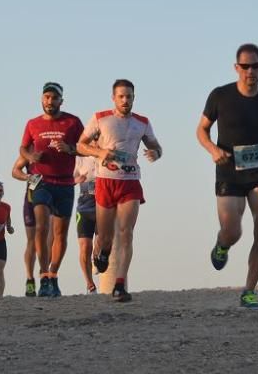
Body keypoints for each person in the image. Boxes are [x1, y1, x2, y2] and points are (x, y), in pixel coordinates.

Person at [196, 44, 258, 309]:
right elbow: (201, 131)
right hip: (229, 171)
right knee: (233, 230)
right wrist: (213, 150)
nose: (250, 71)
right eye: (245, 66)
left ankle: (249, 291)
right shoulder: (220, 96)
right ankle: (221, 244)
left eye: (255, 66)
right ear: (236, 68)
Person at [78, 79, 162, 302]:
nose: (125, 100)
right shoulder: (100, 118)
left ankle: (120, 284)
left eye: (129, 96)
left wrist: (155, 153)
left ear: (134, 98)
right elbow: (80, 145)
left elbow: (157, 146)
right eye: (121, 96)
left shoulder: (142, 122)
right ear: (113, 98)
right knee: (105, 237)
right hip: (106, 181)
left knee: (126, 233)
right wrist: (99, 153)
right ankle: (102, 253)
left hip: (130, 182)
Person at [19, 82, 84, 297]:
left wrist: (69, 148)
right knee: (41, 227)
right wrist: (30, 157)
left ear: (61, 101)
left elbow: (85, 147)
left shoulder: (72, 122)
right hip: (41, 182)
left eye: (54, 98)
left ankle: (53, 275)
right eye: (46, 97)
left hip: (65, 182)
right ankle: (43, 274)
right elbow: (23, 147)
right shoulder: (32, 124)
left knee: (60, 233)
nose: (50, 101)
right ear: (41, 99)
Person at [11, 153, 48, 297]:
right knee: (32, 241)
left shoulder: (54, 143)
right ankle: (30, 279)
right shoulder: (29, 150)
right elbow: (15, 171)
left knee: (48, 239)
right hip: (31, 199)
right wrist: (28, 177)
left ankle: (45, 274)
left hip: (50, 198)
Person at [74, 154, 99, 293]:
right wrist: (76, 180)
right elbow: (66, 180)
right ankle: (90, 284)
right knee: (85, 247)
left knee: (101, 241)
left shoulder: (105, 153)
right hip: (84, 208)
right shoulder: (79, 159)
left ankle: (98, 258)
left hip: (104, 207)